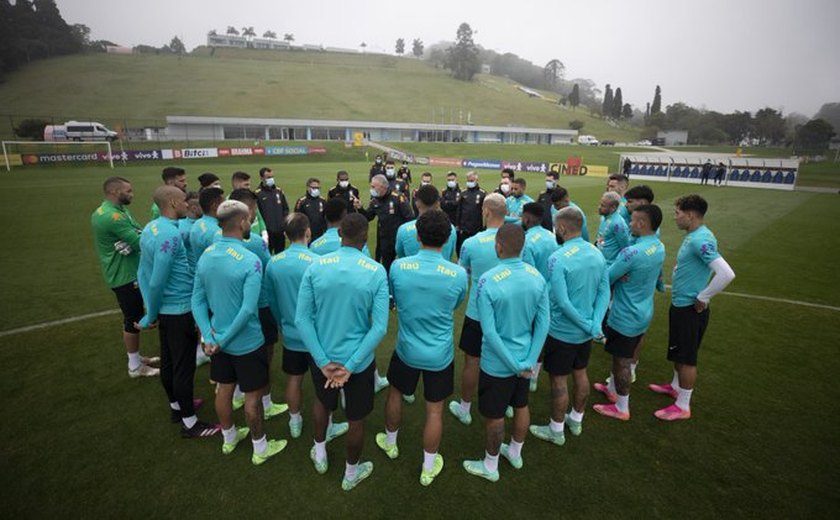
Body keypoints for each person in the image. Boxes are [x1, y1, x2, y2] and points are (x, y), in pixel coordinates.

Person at [295, 213, 389, 491]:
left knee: (323, 403)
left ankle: (320, 452)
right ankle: (350, 472)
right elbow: (380, 327)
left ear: (340, 236)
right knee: (356, 419)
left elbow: (302, 319)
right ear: (365, 238)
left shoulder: (316, 266)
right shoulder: (375, 270)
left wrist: (324, 362)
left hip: (324, 355)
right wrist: (350, 365)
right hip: (356, 362)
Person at [376, 209, 468, 487]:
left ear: (417, 236)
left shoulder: (398, 268)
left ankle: (390, 443)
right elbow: (455, 304)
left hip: (406, 348)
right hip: (439, 353)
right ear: (448, 238)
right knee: (434, 410)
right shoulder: (458, 274)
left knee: (395, 393)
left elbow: (398, 296)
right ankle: (428, 466)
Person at [192, 200, 287, 463]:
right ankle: (260, 448)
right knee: (252, 396)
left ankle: (229, 438)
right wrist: (220, 339)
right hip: (246, 341)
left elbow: (196, 300)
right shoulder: (250, 260)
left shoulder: (207, 254)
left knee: (224, 390)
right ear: (242, 222)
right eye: (248, 220)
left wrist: (210, 336)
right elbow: (247, 311)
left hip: (217, 340)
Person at [462, 224, 549, 482]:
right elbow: (543, 324)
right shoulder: (537, 277)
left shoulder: (488, 280)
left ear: (498, 246)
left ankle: (491, 465)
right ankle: (515, 452)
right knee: (521, 405)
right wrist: (529, 361)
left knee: (495, 415)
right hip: (525, 360)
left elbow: (489, 332)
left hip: (498, 363)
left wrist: (514, 364)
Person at [136, 186, 218, 438]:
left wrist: (151, 308)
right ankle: (190, 424)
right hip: (179, 308)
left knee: (170, 361)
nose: (188, 204)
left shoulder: (151, 228)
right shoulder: (169, 237)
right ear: (172, 203)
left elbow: (141, 271)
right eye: (184, 200)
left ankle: (177, 407)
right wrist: (150, 315)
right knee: (183, 367)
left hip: (167, 309)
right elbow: (157, 279)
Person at [649, 195, 735, 421]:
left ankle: (683, 406)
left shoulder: (700, 239)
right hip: (681, 305)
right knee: (679, 351)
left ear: (691, 215)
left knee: (687, 357)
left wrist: (704, 296)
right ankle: (676, 387)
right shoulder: (694, 236)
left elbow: (726, 273)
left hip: (689, 308)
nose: (675, 217)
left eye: (678, 213)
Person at [264, 213, 349, 441]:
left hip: (291, 332)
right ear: (308, 231)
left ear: (285, 235)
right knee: (324, 384)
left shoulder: (273, 262)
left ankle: (295, 420)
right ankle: (327, 425)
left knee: (294, 378)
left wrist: (282, 322)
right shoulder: (317, 262)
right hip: (317, 336)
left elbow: (271, 300)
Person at [529, 207, 609, 445]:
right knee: (580, 373)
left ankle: (556, 429)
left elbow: (562, 302)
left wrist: (587, 324)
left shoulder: (558, 257)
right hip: (584, 333)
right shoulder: (596, 252)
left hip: (562, 332)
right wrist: (594, 323)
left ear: (562, 228)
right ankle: (576, 418)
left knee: (559, 380)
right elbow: (604, 290)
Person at [592, 204, 666, 421]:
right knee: (627, 354)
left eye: (632, 220)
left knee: (621, 361)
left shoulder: (631, 252)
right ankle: (612, 390)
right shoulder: (658, 246)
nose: (629, 224)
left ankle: (622, 407)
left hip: (625, 314)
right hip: (644, 310)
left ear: (642, 223)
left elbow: (607, 276)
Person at [226, 189, 288, 419]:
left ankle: (237, 394)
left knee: (234, 352)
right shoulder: (253, 243)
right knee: (264, 352)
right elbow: (270, 270)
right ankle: (266, 401)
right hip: (260, 304)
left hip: (229, 305)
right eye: (253, 209)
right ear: (247, 210)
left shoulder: (216, 240)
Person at [90, 176, 159, 378]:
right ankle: (135, 367)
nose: (132, 194)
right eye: (128, 191)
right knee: (133, 318)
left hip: (123, 270)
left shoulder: (114, 210)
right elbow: (140, 242)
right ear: (114, 192)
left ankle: (136, 358)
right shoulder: (113, 217)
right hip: (124, 274)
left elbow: (137, 230)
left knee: (132, 316)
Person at [448, 193, 506, 426]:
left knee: (472, 360)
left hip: (478, 312)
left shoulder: (471, 243)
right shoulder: (516, 239)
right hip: (507, 312)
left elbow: (464, 274)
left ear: (487, 212)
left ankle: (465, 407)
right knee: (504, 356)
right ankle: (506, 404)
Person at [520, 202, 559, 392]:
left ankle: (527, 371)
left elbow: (529, 274)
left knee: (528, 332)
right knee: (542, 331)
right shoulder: (551, 236)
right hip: (551, 293)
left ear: (527, 218)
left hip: (534, 294)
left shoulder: (526, 241)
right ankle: (535, 374)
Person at [357, 174, 413, 279]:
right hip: (385, 239)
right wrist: (360, 208)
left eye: (374, 187)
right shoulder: (375, 200)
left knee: (405, 265)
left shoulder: (398, 197)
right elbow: (368, 217)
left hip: (400, 238)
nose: (371, 189)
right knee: (386, 266)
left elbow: (409, 218)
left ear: (382, 187)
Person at [396, 184, 457, 261]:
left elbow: (401, 255)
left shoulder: (403, 230)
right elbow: (449, 255)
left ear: (417, 203)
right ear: (438, 203)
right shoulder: (451, 229)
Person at [255, 167, 290, 254]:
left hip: (280, 231)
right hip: (267, 232)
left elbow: (285, 209)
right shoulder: (257, 194)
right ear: (261, 178)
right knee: (267, 254)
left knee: (281, 255)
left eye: (272, 177)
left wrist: (284, 225)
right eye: (268, 177)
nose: (271, 179)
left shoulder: (279, 191)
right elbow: (257, 214)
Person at [455, 171, 486, 257]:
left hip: (476, 228)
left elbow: (484, 212)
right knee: (462, 248)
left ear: (477, 180)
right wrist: (458, 224)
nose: (470, 182)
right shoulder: (463, 193)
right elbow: (459, 210)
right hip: (464, 228)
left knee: (476, 249)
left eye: (472, 180)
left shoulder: (482, 193)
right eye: (468, 180)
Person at [189, 187, 225, 263]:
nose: (226, 206)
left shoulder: (197, 223)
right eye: (223, 203)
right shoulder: (216, 232)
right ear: (215, 206)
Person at [595, 191, 631, 267]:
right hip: (600, 262)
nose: (599, 207)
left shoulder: (618, 224)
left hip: (610, 265)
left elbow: (625, 248)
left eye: (603, 206)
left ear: (613, 208)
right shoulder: (604, 217)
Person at [231, 171, 268, 243]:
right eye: (246, 185)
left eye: (249, 185)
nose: (248, 187)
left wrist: (264, 232)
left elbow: (259, 217)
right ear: (237, 184)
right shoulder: (230, 202)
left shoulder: (251, 198)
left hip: (257, 239)